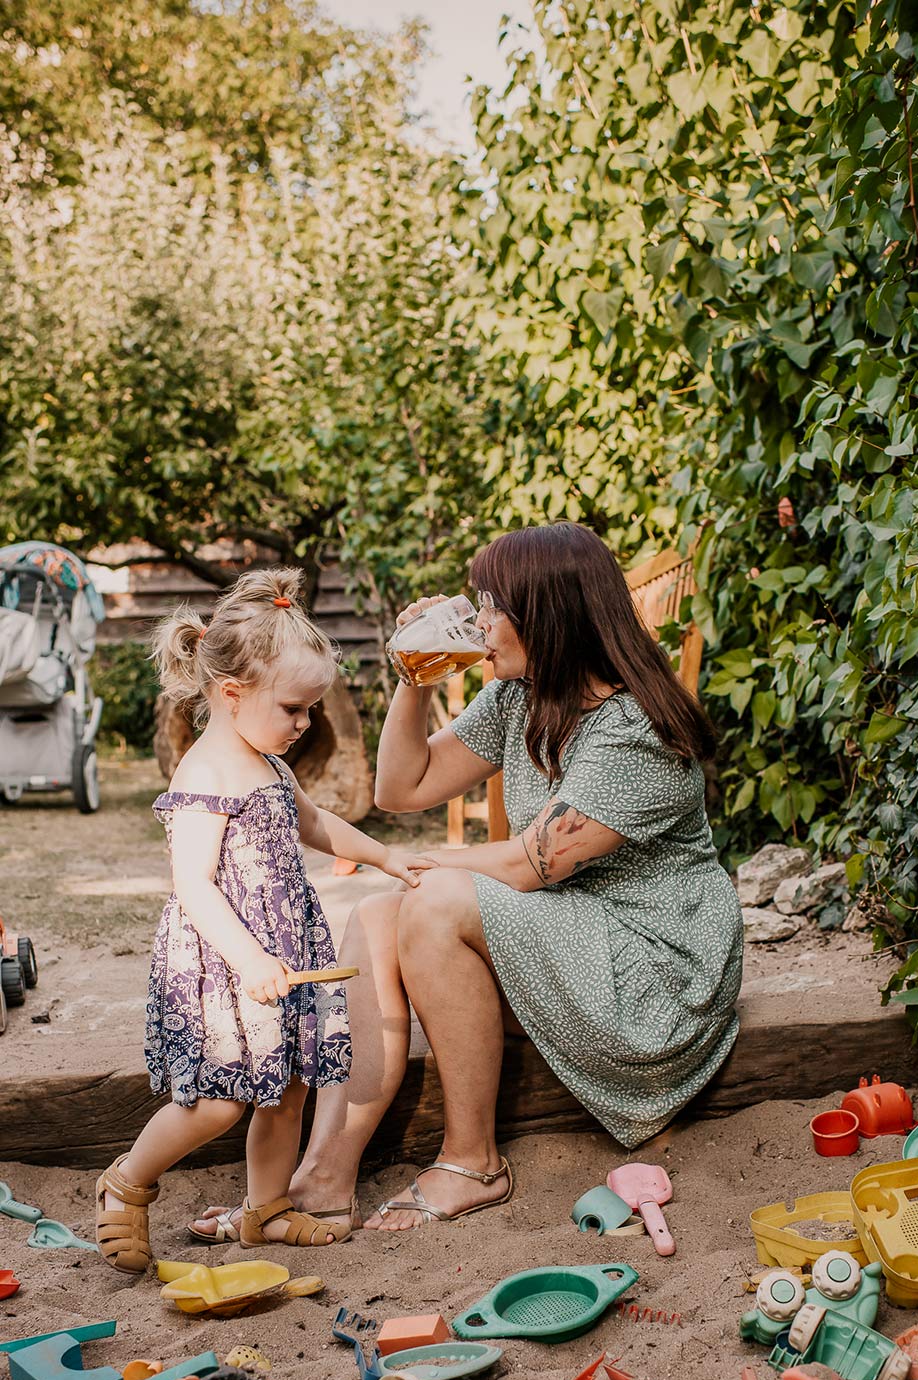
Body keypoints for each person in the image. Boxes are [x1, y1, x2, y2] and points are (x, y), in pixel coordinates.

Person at [192, 522, 743, 1240]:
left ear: (545, 616)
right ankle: (324, 1175)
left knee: (433, 899)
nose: (479, 623)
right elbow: (401, 786)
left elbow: (529, 864)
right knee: (377, 916)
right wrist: (415, 679)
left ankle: (474, 1162)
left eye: (491, 606)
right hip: (570, 938)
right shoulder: (526, 697)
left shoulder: (634, 729)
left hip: (654, 977)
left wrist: (408, 865)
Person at [95, 568, 433, 1274]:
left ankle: (267, 1209)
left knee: (287, 1091)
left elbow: (315, 822)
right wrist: (248, 958)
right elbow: (193, 884)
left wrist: (384, 856)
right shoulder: (205, 774)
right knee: (219, 1103)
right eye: (294, 708)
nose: (305, 723)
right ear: (231, 694)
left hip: (284, 953)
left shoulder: (271, 765)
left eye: (311, 708)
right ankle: (126, 1181)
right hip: (226, 962)